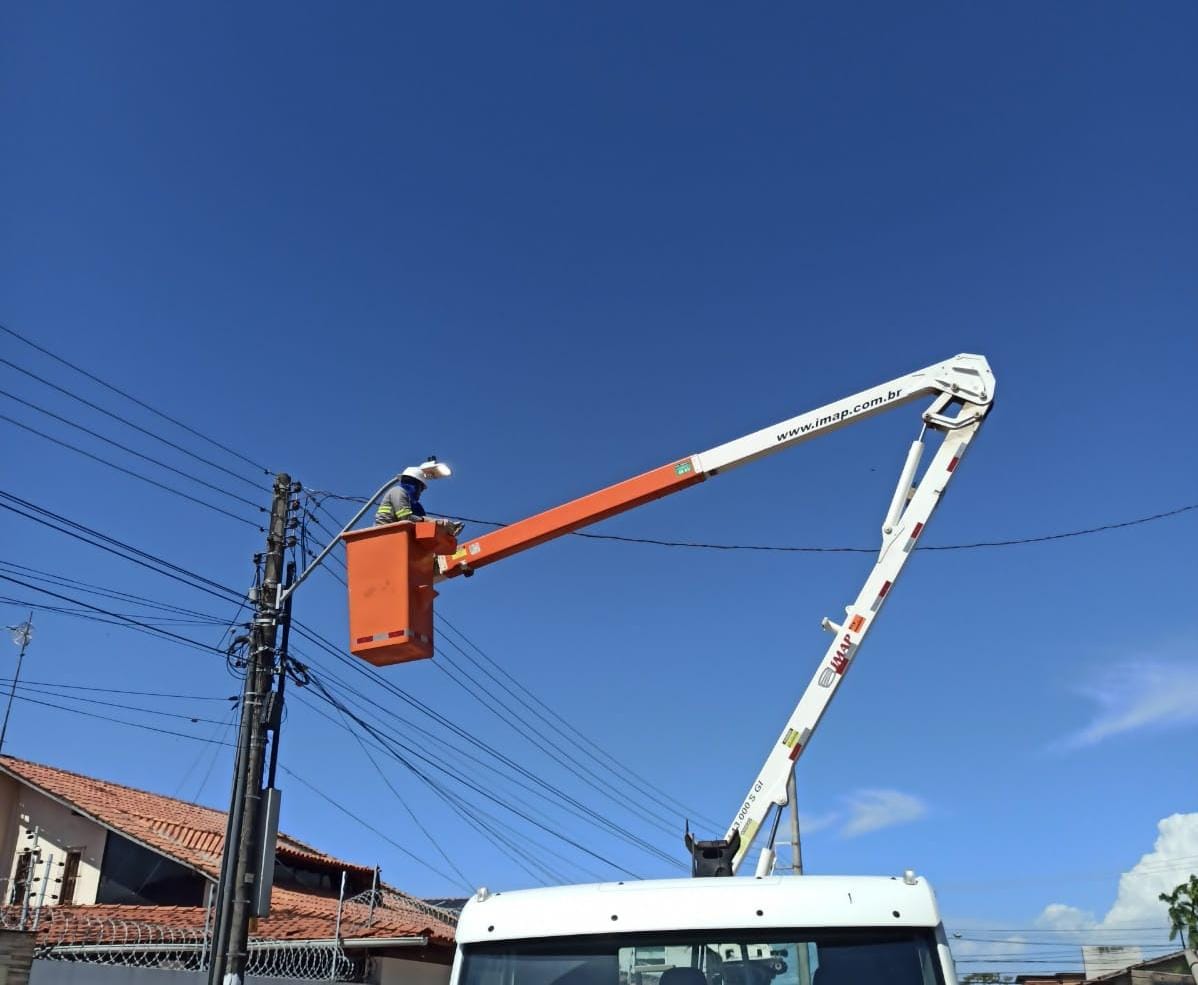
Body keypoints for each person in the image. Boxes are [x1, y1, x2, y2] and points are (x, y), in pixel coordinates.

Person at [375, 467, 464, 535]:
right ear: (415, 485)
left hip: (398, 535)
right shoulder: (398, 491)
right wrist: (437, 523)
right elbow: (405, 518)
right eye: (421, 489)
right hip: (384, 533)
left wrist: (444, 530)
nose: (420, 492)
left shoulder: (415, 506)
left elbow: (423, 525)